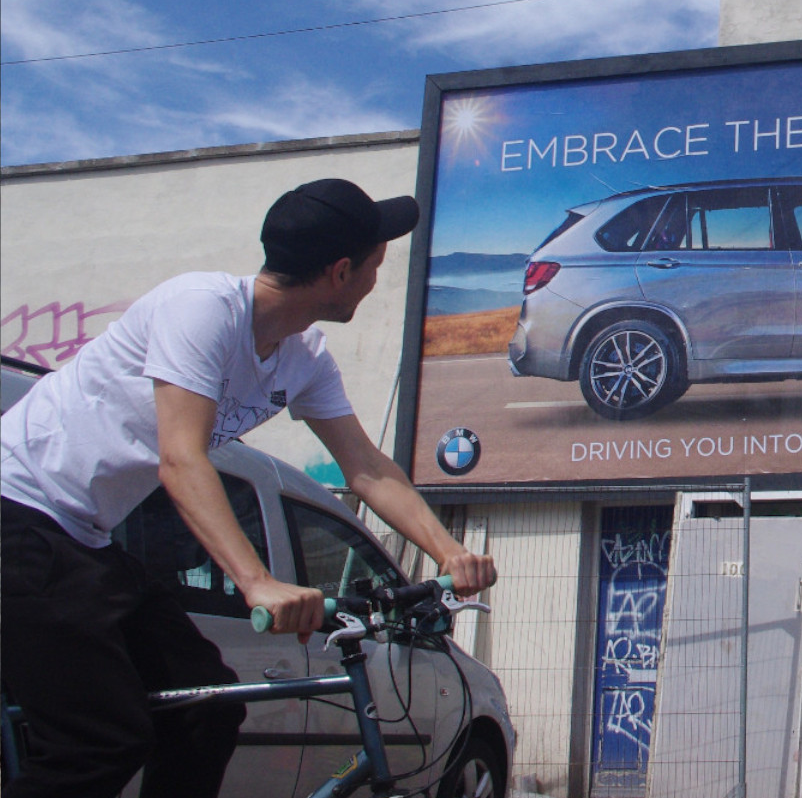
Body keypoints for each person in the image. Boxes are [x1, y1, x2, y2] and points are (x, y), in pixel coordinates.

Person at [0, 178, 498, 797]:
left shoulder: (304, 357)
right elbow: (181, 460)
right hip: (16, 512)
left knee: (207, 708)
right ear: (341, 271)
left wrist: (448, 551)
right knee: (98, 738)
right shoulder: (202, 308)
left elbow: (366, 469)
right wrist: (256, 581)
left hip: (82, 536)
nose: (377, 280)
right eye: (375, 265)